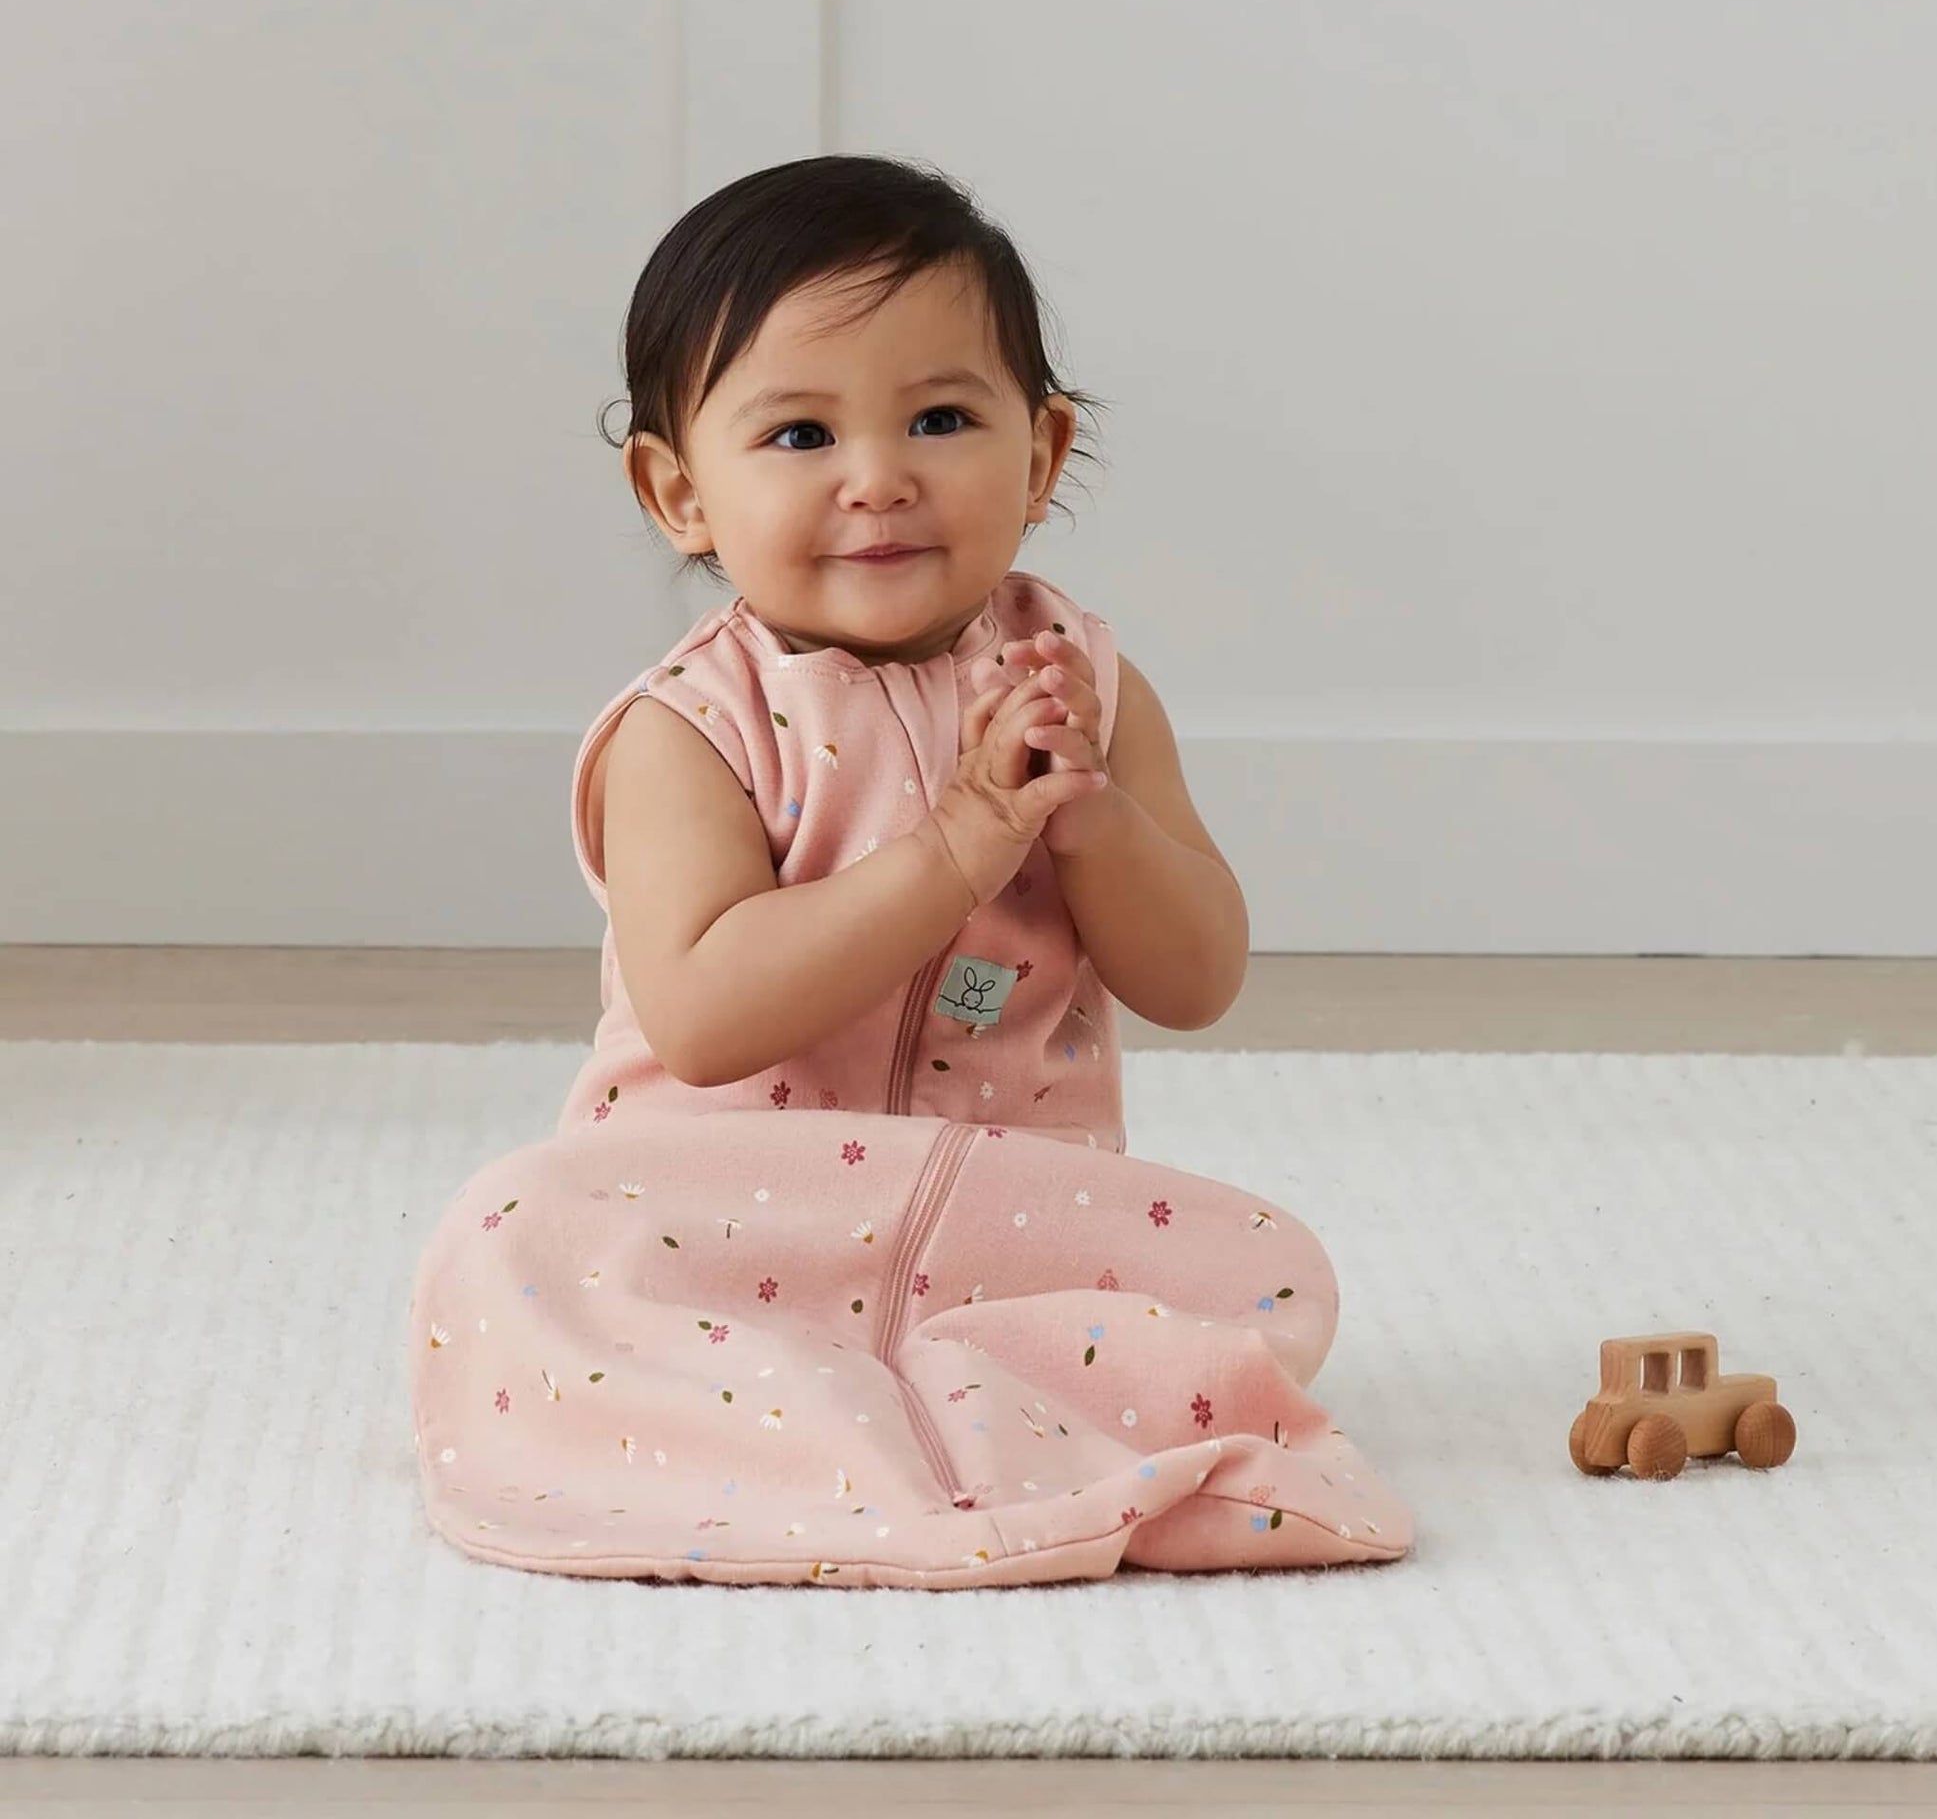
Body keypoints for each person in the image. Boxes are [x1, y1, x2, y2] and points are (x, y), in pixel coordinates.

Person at [406, 155, 1413, 1588]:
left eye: (940, 417)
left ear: (1042, 455)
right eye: (801, 434)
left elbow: (1196, 978)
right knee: (515, 1229)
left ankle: (914, 1403)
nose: (877, 477)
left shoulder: (1086, 689)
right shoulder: (684, 729)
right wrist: (952, 848)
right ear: (678, 489)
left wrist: (1089, 822)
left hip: (994, 1217)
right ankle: (853, 1424)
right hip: (726, 1213)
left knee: (1264, 1270)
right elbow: (701, 1015)